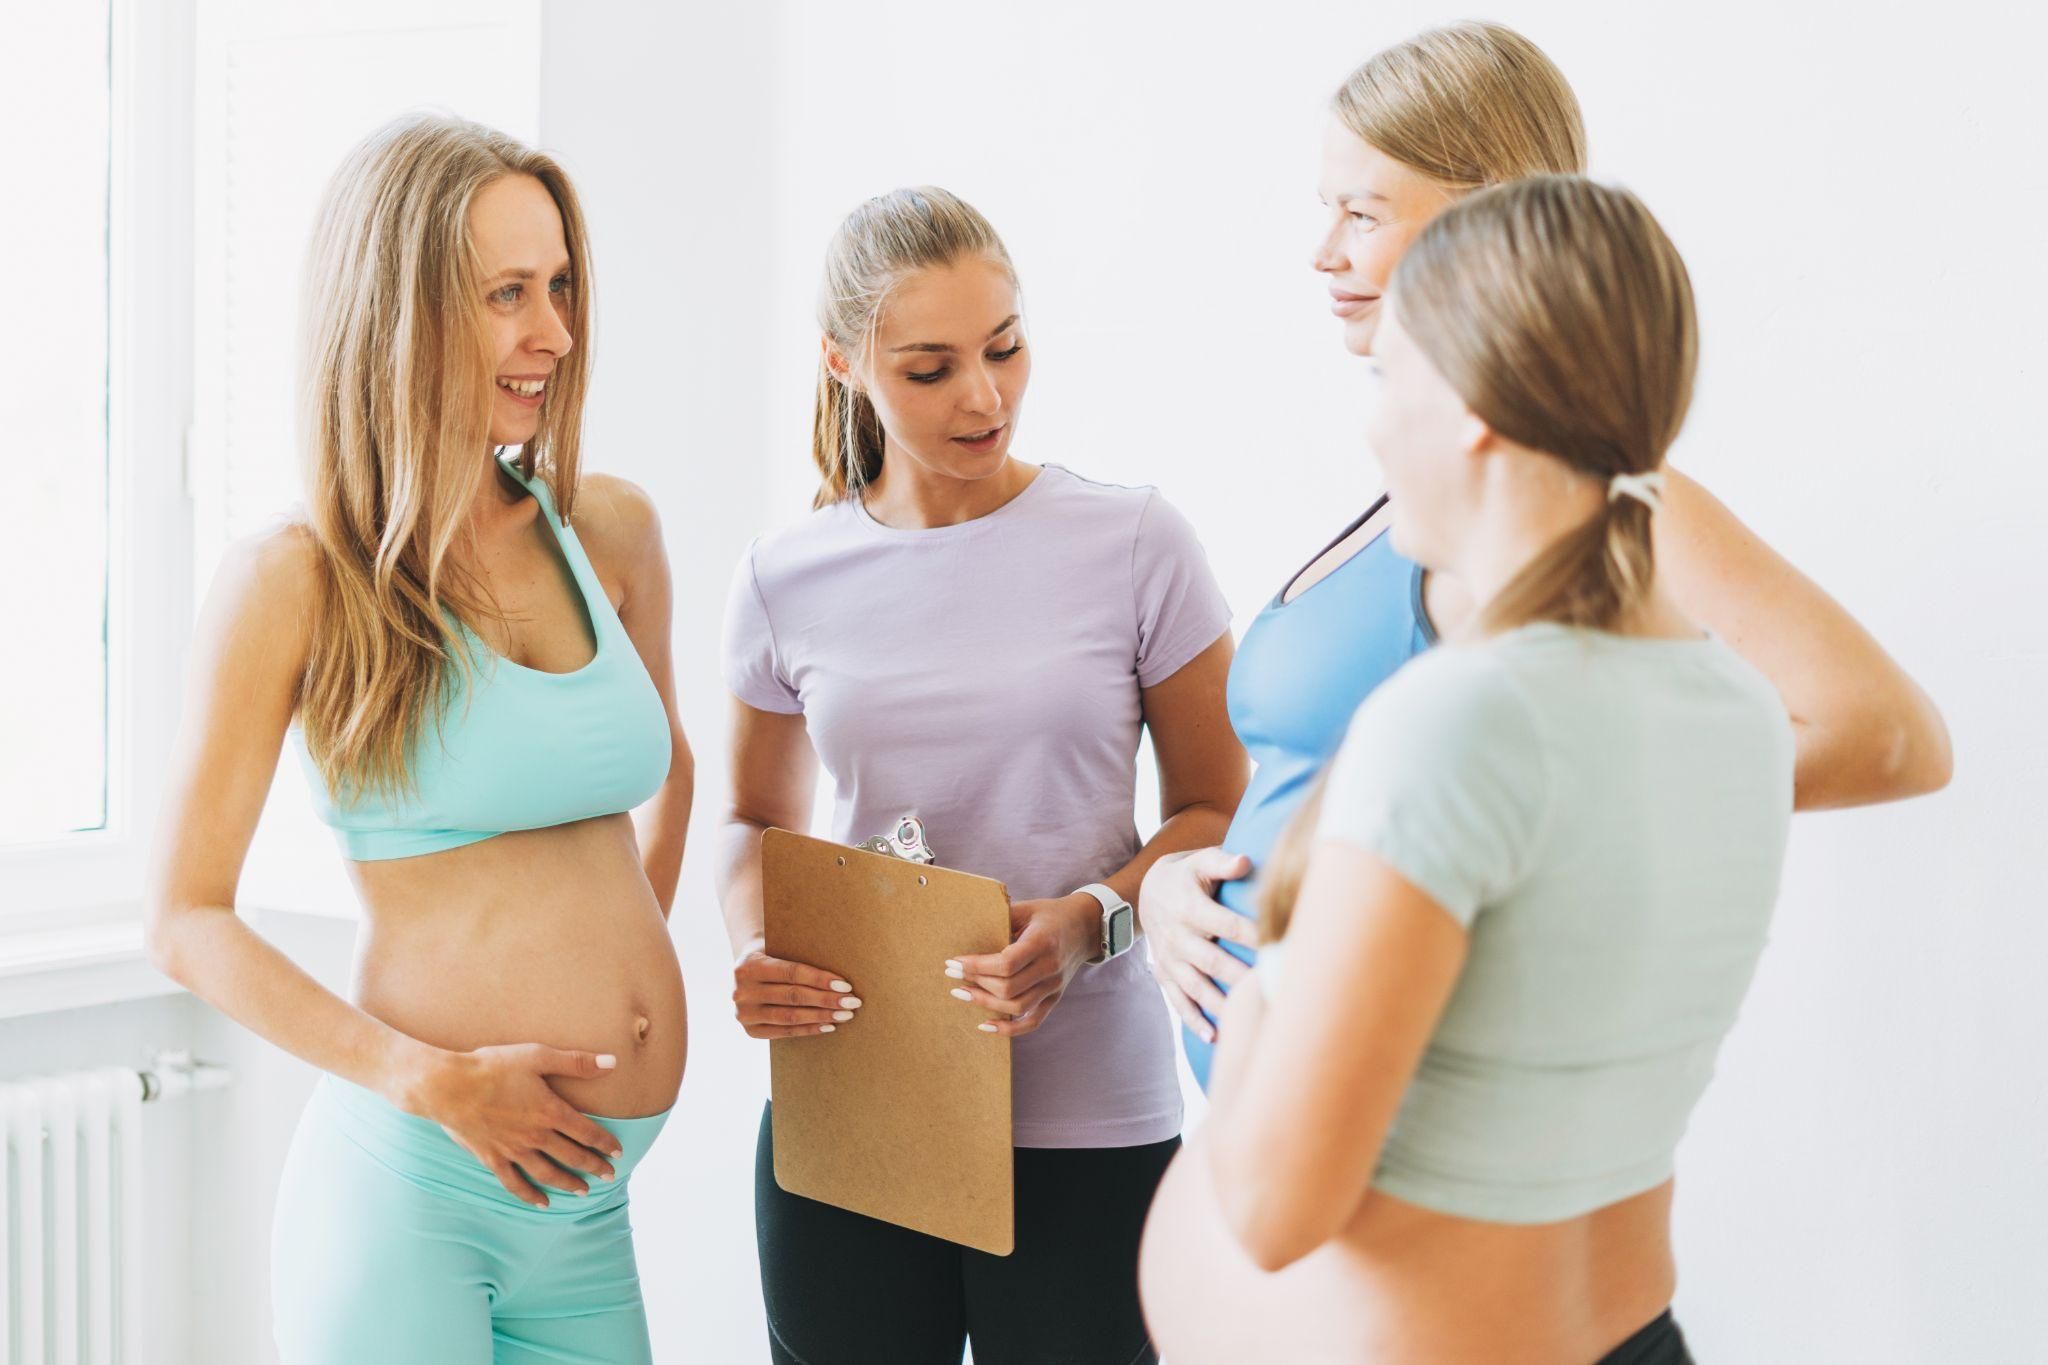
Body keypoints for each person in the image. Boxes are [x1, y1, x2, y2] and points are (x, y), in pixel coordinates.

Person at [1142, 22, 1952, 1086]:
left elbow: (1888, 735)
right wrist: (1167, 895)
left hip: (1394, 1117)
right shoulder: (1425, 488)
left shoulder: (1585, 492)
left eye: (1362, 212)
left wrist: (1568, 801)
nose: (1323, 250)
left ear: (1482, 221)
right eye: (1323, 209)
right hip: (1278, 1103)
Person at [1143, 174, 1792, 1364]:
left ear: (1472, 404)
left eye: (1389, 377)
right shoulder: (1736, 709)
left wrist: (1266, 970)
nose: (1373, 424)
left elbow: (1275, 1208)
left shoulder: (1453, 723)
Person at [144, 114, 693, 1364]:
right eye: (507, 294)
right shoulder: (294, 580)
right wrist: (429, 1078)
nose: (551, 332)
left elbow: (671, 773)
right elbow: (184, 918)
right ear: (397, 312)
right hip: (413, 1196)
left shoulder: (608, 532)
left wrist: (620, 1019)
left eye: (558, 287)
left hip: (587, 1204)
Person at [716, 186, 1248, 1365]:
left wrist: (1090, 924)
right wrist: (759, 945)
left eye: (1004, 349)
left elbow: (1218, 802)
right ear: (843, 365)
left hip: (1085, 1119)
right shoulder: (782, 578)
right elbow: (752, 818)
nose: (983, 395)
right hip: (858, 1107)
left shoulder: (1133, 544)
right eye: (929, 367)